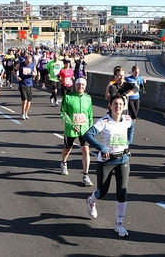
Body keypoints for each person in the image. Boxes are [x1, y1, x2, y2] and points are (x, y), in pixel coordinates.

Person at [84, 94, 134, 237]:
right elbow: (87, 135)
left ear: (124, 106)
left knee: (122, 191)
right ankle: (91, 201)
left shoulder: (127, 119)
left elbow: (132, 127)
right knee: (103, 191)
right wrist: (102, 148)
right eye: (115, 104)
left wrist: (128, 142)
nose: (118, 107)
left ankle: (119, 224)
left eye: (120, 104)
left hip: (123, 160)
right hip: (106, 161)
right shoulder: (104, 122)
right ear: (110, 106)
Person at [59, 78, 93, 186]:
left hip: (84, 129)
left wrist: (91, 128)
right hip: (71, 129)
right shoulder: (68, 97)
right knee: (67, 149)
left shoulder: (88, 98)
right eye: (79, 84)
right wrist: (71, 125)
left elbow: (90, 114)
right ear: (75, 85)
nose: (81, 87)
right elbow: (63, 113)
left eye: (83, 85)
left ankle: (85, 175)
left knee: (85, 150)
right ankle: (64, 163)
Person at [14, 54, 36, 120]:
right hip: (22, 84)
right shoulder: (21, 64)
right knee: (25, 99)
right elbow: (14, 70)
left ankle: (26, 113)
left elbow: (36, 73)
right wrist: (17, 77)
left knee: (29, 100)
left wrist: (32, 74)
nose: (29, 63)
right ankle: (23, 112)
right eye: (28, 61)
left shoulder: (32, 65)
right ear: (25, 60)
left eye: (30, 61)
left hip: (30, 84)